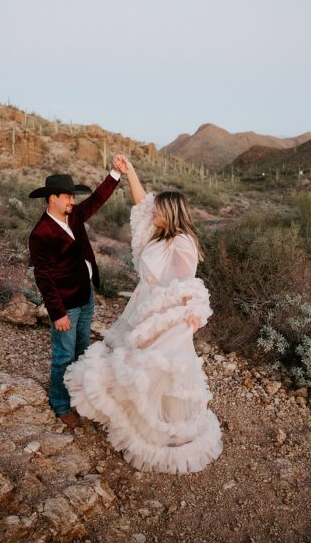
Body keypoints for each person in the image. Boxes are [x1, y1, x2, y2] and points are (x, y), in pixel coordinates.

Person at [64, 156, 223, 473]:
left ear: (171, 214)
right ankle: (131, 417)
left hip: (163, 314)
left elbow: (187, 283)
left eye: (159, 211)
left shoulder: (182, 242)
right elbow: (141, 204)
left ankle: (160, 432)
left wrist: (188, 316)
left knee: (157, 369)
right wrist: (130, 172)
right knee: (134, 364)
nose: (153, 213)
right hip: (141, 305)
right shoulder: (158, 234)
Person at [28, 165, 124, 427]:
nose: (73, 200)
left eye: (73, 196)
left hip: (86, 296)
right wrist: (57, 313)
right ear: (52, 198)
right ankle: (60, 405)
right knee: (63, 356)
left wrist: (115, 173)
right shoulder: (41, 234)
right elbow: (44, 278)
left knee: (83, 351)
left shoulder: (74, 215)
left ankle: (79, 398)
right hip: (66, 305)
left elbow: (97, 199)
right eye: (68, 196)